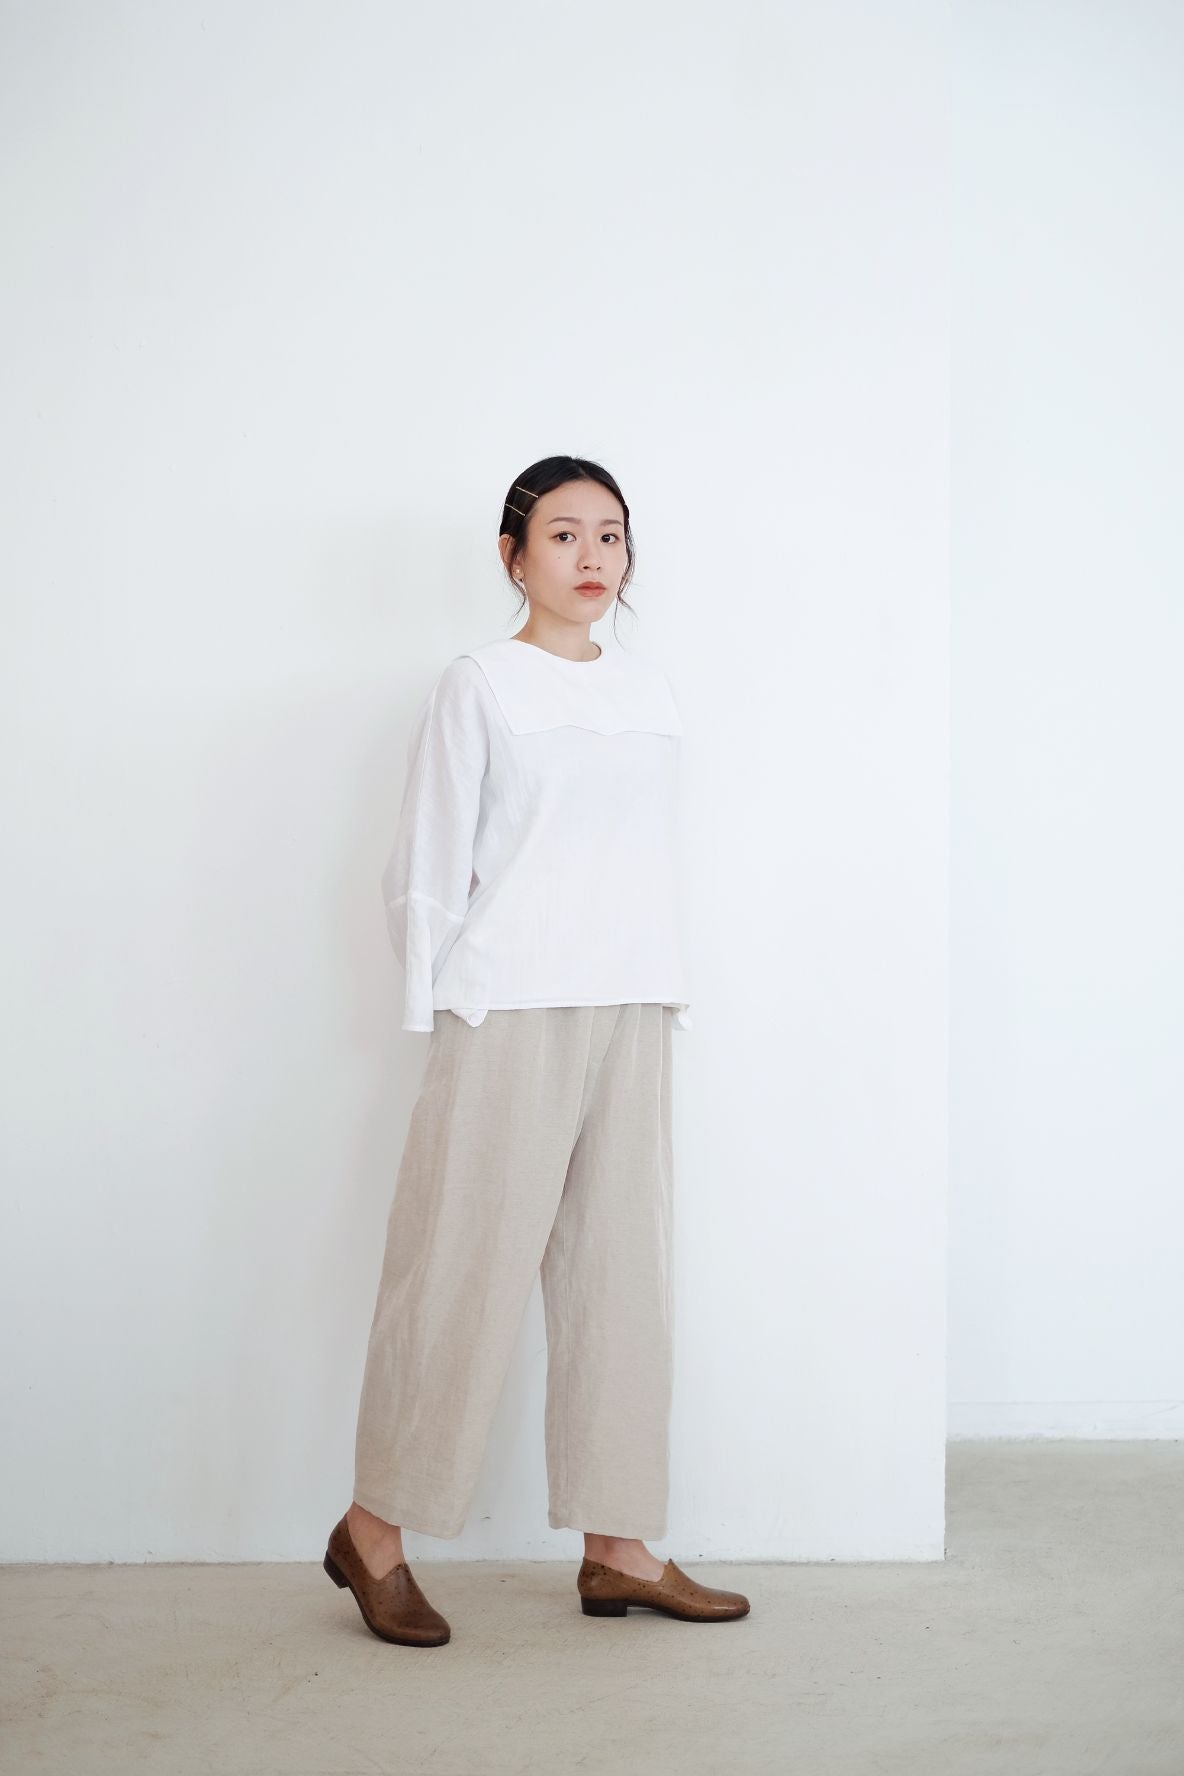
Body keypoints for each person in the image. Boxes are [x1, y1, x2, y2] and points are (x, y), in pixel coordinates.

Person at [324, 455, 750, 1645]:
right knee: (457, 1271)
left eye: (609, 534)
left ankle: (619, 1548)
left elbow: (645, 854)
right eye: (562, 534)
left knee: (622, 1279)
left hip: (632, 1001)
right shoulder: (480, 684)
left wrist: (666, 979)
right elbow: (427, 855)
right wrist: (433, 999)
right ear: (513, 556)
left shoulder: (650, 690)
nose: (591, 556)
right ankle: (373, 1531)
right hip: (508, 1004)